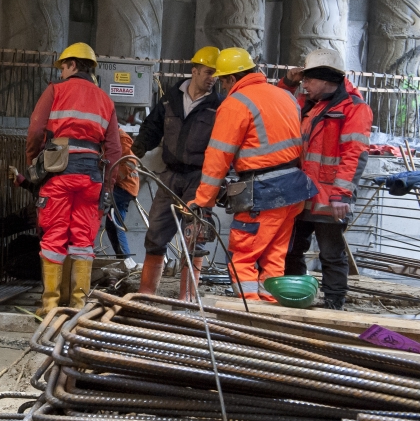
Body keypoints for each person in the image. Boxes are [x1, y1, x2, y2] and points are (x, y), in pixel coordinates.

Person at [188, 48, 314, 301]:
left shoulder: (236, 104)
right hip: (294, 189)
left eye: (223, 80)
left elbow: (218, 157)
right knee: (274, 258)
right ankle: (271, 309)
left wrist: (203, 201)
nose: (221, 86)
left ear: (232, 79)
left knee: (242, 256)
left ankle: (251, 312)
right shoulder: (285, 96)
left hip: (263, 194)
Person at [26, 43, 122, 315]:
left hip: (59, 173)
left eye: (63, 66)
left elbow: (35, 131)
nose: (62, 71)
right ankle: (78, 305)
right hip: (91, 177)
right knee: (82, 240)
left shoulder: (55, 90)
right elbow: (115, 150)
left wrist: (33, 164)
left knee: (55, 235)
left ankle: (50, 306)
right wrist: (108, 186)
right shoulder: (105, 99)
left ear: (71, 65)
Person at [278, 49, 372, 310]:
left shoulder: (353, 108)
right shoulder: (311, 104)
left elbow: (354, 153)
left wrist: (342, 194)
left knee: (331, 254)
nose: (304, 85)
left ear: (325, 79)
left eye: (308, 80)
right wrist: (288, 81)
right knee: (292, 250)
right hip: (302, 194)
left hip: (330, 199)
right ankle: (295, 296)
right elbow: (277, 103)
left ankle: (334, 302)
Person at [131, 46, 222, 301]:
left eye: (216, 74)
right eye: (208, 72)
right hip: (170, 176)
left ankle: (188, 298)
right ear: (194, 71)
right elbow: (153, 125)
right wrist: (140, 145)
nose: (212, 78)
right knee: (156, 233)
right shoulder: (171, 98)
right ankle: (147, 294)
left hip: (199, 178)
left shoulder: (218, 105)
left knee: (195, 237)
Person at [104, 129, 139, 271]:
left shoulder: (120, 138)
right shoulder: (111, 137)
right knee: (111, 225)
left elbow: (131, 163)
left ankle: (126, 260)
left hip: (124, 187)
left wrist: (114, 179)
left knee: (116, 223)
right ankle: (124, 260)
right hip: (121, 186)